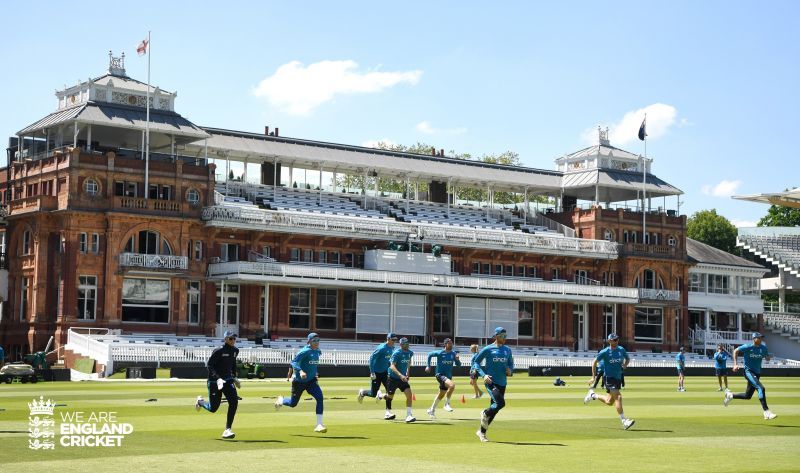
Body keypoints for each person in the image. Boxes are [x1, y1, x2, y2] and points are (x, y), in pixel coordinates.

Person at [275, 332, 327, 432]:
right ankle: (281, 400)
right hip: (299, 381)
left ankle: (319, 425)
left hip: (311, 381)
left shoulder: (318, 351)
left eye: (318, 340)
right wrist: (301, 371)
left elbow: (313, 363)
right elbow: (293, 362)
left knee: (320, 398)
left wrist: (315, 372)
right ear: (309, 341)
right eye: (314, 340)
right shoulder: (304, 351)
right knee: (293, 404)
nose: (316, 342)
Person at [583, 333, 635, 430]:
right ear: (609, 341)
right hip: (609, 378)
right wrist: (593, 377)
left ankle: (593, 395)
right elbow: (594, 362)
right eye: (614, 340)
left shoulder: (621, 349)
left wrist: (625, 365)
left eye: (617, 339)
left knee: (609, 402)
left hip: (617, 378)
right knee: (618, 397)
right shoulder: (605, 351)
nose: (616, 341)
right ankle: (624, 421)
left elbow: (627, 358)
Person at [195, 330, 241, 439]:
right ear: (225, 339)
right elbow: (209, 366)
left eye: (234, 338)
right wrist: (218, 378)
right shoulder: (219, 351)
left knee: (234, 402)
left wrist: (234, 377)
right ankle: (200, 402)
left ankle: (227, 429)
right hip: (214, 382)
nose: (233, 340)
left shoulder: (235, 351)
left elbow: (233, 364)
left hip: (228, 380)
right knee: (213, 408)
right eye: (231, 338)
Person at [472, 327, 514, 442]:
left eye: (506, 336)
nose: (505, 338)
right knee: (501, 403)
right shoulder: (488, 349)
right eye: (502, 336)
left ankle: (481, 432)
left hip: (503, 382)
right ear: (496, 336)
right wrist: (483, 375)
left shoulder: (507, 350)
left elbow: (511, 364)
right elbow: (476, 362)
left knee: (495, 409)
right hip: (491, 381)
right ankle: (485, 412)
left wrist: (510, 371)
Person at [724, 332, 777, 420]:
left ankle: (730, 395)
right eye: (759, 338)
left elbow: (766, 357)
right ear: (754, 339)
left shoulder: (763, 348)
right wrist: (735, 364)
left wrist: (768, 357)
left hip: (757, 373)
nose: (760, 339)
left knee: (747, 396)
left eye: (761, 338)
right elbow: (735, 351)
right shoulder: (747, 347)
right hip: (748, 371)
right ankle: (766, 412)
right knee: (761, 388)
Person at [357, 333, 397, 419]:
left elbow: (389, 361)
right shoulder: (381, 348)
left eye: (395, 340)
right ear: (388, 339)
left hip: (385, 372)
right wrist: (372, 372)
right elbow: (372, 358)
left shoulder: (392, 348)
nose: (394, 341)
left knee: (389, 391)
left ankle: (388, 412)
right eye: (393, 340)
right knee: (373, 393)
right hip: (376, 372)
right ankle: (362, 393)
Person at [425, 338, 461, 418]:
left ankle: (431, 410)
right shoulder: (440, 352)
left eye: (451, 343)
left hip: (448, 376)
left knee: (441, 394)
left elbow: (459, 365)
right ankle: (446, 404)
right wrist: (428, 365)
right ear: (445, 344)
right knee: (452, 385)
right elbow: (430, 355)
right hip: (440, 375)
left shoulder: (453, 353)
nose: (451, 344)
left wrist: (457, 360)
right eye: (449, 343)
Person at [386, 337, 416, 423]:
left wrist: (408, 373)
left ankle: (408, 415)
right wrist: (400, 375)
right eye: (405, 344)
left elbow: (408, 363)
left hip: (402, 379)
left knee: (409, 395)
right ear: (401, 345)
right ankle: (382, 400)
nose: (407, 345)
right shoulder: (397, 353)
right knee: (389, 397)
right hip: (393, 378)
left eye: (407, 343)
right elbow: (392, 366)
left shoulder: (410, 353)